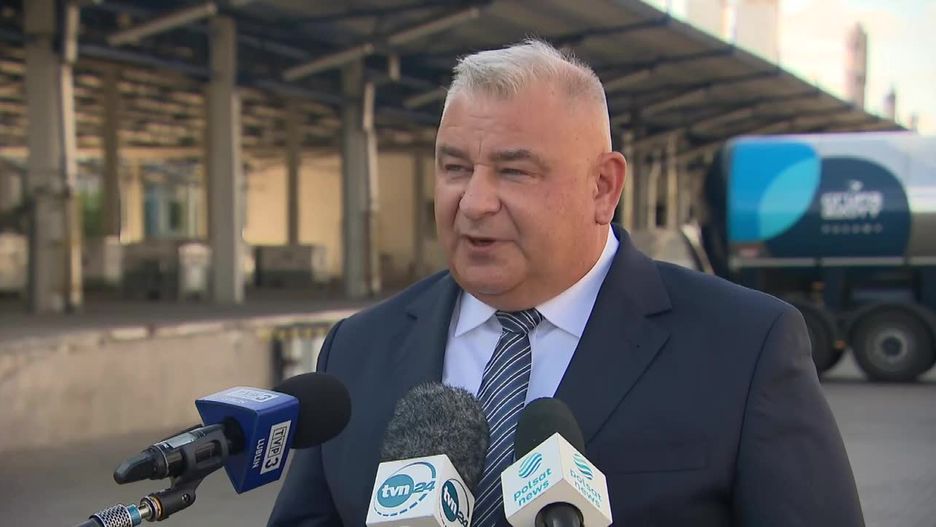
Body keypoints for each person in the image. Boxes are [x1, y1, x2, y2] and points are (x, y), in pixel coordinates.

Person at [268, 39, 863, 526]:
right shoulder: (357, 349)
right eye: (455, 167)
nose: (473, 201)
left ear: (603, 187)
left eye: (513, 171)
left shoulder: (744, 347)